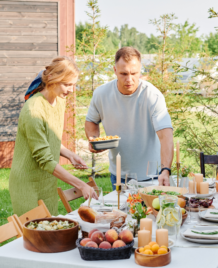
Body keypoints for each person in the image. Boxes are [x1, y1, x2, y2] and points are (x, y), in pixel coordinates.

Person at [9, 57, 97, 216]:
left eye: (73, 85)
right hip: (26, 184)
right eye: (67, 84)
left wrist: (70, 154)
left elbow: (50, 139)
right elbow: (45, 160)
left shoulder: (59, 100)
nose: (71, 90)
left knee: (51, 233)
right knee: (33, 237)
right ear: (51, 78)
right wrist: (82, 185)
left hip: (47, 181)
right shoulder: (33, 111)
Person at [85, 47, 174, 189]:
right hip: (118, 175)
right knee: (121, 211)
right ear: (115, 70)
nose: (129, 79)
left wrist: (166, 170)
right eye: (123, 73)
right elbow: (91, 121)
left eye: (134, 73)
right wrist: (94, 139)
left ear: (140, 70)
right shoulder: (101, 94)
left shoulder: (152, 95)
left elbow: (166, 136)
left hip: (153, 175)